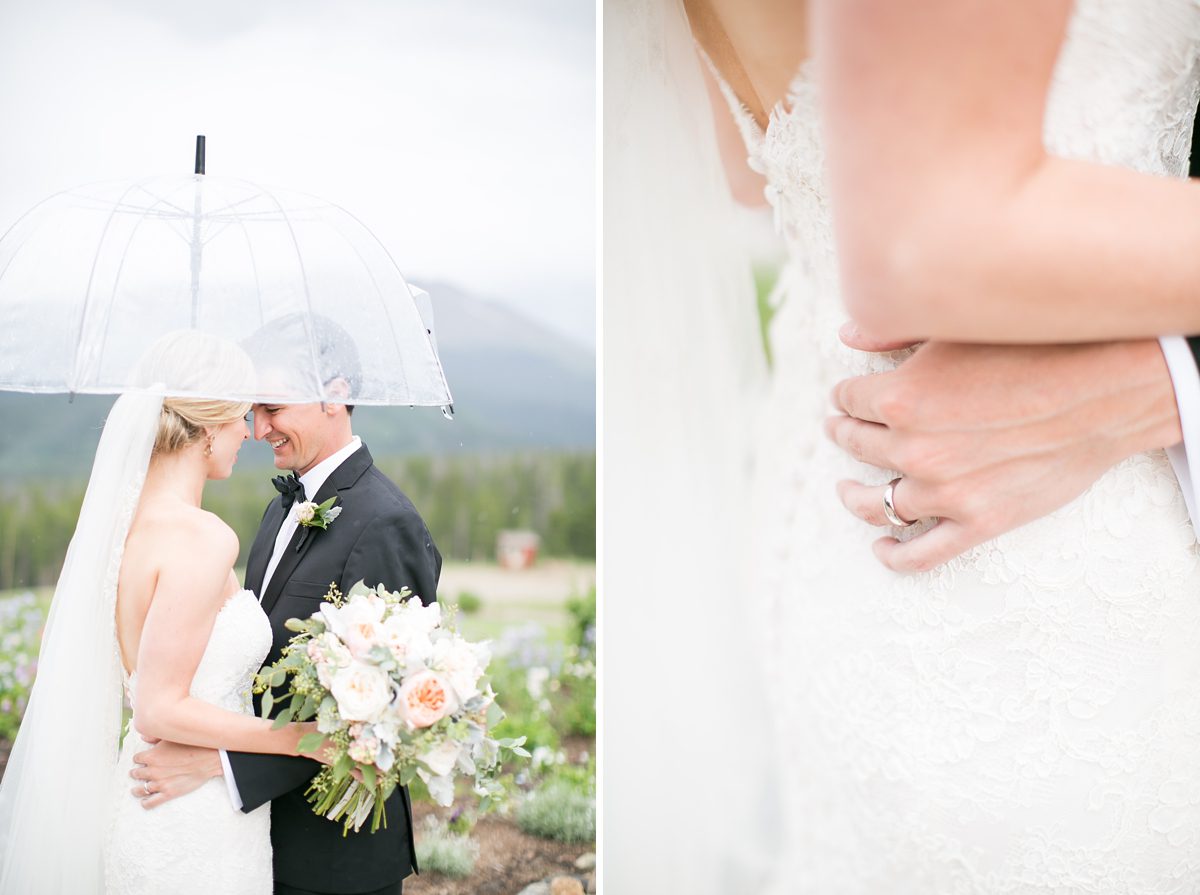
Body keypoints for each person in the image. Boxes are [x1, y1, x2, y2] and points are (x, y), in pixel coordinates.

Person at [606, 0, 1200, 890]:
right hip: (1054, 572)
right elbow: (930, 236)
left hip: (834, 531)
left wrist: (1163, 377)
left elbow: (754, 168)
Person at [0, 332, 331, 895]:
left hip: (148, 794)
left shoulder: (120, 531)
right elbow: (158, 706)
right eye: (240, 417)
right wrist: (301, 739)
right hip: (192, 820)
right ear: (208, 429)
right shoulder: (200, 537)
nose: (249, 433)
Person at [132, 377, 441, 895]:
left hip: (333, 856)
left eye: (272, 409)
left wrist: (221, 763)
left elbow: (383, 712)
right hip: (250, 840)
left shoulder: (388, 522)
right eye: (253, 411)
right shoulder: (280, 509)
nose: (258, 429)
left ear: (334, 395)